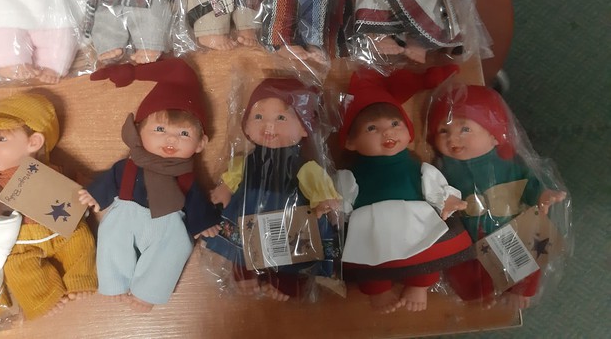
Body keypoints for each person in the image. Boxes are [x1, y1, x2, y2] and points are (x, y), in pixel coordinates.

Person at [79, 59, 219, 312]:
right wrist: (95, 194)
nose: (171, 139)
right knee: (112, 237)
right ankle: (114, 282)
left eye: (184, 134)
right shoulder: (128, 166)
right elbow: (111, 179)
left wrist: (204, 221)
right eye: (160, 129)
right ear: (138, 133)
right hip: (127, 213)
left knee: (174, 248)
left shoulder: (187, 178)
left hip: (168, 221)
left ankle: (148, 293)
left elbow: (195, 200)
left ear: (200, 144)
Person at [336, 66, 473, 313]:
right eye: (372, 128)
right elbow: (342, 200)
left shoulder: (419, 169)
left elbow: (437, 188)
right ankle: (378, 290)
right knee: (370, 263)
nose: (387, 132)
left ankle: (419, 285)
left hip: (415, 219)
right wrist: (332, 206)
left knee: (427, 254)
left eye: (394, 123)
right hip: (372, 226)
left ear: (409, 133)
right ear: (350, 142)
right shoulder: (349, 175)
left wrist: (448, 200)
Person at [0, 93, 98, 320]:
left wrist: (96, 194)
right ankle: (43, 297)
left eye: (0, 139)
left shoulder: (54, 172)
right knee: (17, 267)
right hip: (23, 242)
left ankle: (79, 279)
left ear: (33, 142)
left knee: (82, 241)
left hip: (65, 230)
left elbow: (82, 184)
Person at [427, 84, 567, 309]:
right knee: (460, 268)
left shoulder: (505, 163)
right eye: (443, 131)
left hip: (506, 224)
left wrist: (543, 195)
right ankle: (477, 292)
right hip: (466, 233)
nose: (453, 138)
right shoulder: (442, 169)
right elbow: (434, 190)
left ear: (494, 136)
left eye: (465, 129)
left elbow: (529, 182)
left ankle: (521, 289)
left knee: (523, 254)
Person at [205, 77, 341, 301]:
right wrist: (225, 189)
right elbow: (234, 176)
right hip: (248, 207)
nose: (269, 126)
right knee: (244, 245)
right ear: (246, 127)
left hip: (290, 214)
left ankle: (287, 281)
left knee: (291, 250)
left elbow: (317, 184)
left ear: (304, 128)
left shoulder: (304, 166)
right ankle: (244, 271)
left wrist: (324, 203)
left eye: (281, 118)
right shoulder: (245, 160)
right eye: (258, 117)